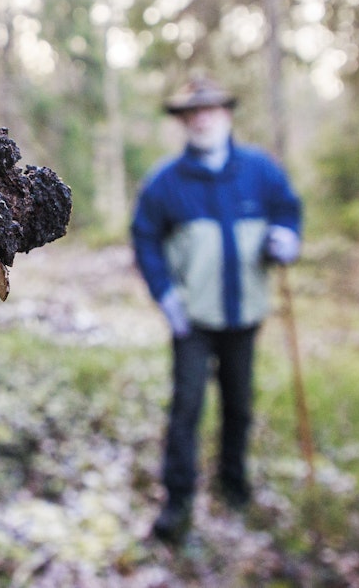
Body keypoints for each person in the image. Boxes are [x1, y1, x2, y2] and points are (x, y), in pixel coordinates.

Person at [130, 77, 302, 543]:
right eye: (193, 112)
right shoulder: (165, 182)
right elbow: (144, 238)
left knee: (239, 406)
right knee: (186, 408)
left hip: (246, 314)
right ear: (185, 121)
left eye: (211, 109)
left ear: (227, 114)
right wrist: (165, 296)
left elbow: (288, 210)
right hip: (191, 318)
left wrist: (287, 238)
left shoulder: (260, 170)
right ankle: (178, 502)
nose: (203, 118)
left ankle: (233, 486)